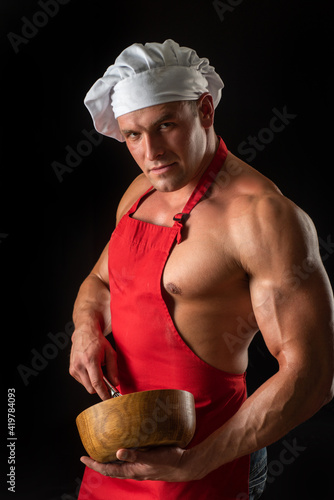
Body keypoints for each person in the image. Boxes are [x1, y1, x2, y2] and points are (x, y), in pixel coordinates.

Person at [69, 39, 334, 499]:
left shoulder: (261, 217)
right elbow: (98, 282)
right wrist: (86, 330)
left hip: (210, 458)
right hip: (124, 448)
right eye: (133, 135)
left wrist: (194, 463)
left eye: (166, 125)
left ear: (205, 110)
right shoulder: (139, 195)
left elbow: (312, 377)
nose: (150, 152)